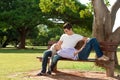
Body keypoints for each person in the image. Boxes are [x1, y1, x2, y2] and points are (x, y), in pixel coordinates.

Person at [37, 22, 109, 76]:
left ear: (70, 29)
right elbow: (59, 43)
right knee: (46, 53)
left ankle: (50, 69)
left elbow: (86, 39)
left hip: (67, 53)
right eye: (64, 31)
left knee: (56, 57)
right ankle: (43, 71)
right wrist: (55, 47)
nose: (65, 32)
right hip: (60, 51)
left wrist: (85, 43)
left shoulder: (76, 36)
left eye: (66, 31)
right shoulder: (63, 35)